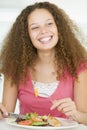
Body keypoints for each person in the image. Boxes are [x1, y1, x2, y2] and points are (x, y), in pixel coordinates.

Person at [0, 1, 87, 124]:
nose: (43, 31)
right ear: (26, 35)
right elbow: (6, 116)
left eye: (49, 24)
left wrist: (76, 114)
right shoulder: (15, 68)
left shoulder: (78, 67)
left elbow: (85, 118)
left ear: (59, 28)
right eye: (35, 27)